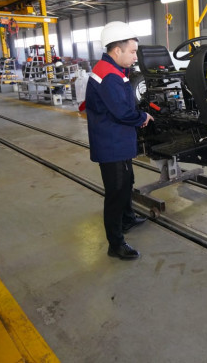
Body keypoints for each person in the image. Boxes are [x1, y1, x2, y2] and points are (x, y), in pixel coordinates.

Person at [85, 21, 153, 260]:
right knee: (116, 191)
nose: (135, 57)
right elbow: (122, 112)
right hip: (111, 143)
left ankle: (127, 219)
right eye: (132, 52)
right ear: (117, 50)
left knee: (127, 182)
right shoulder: (109, 75)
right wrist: (143, 117)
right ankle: (115, 244)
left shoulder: (112, 69)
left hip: (118, 140)